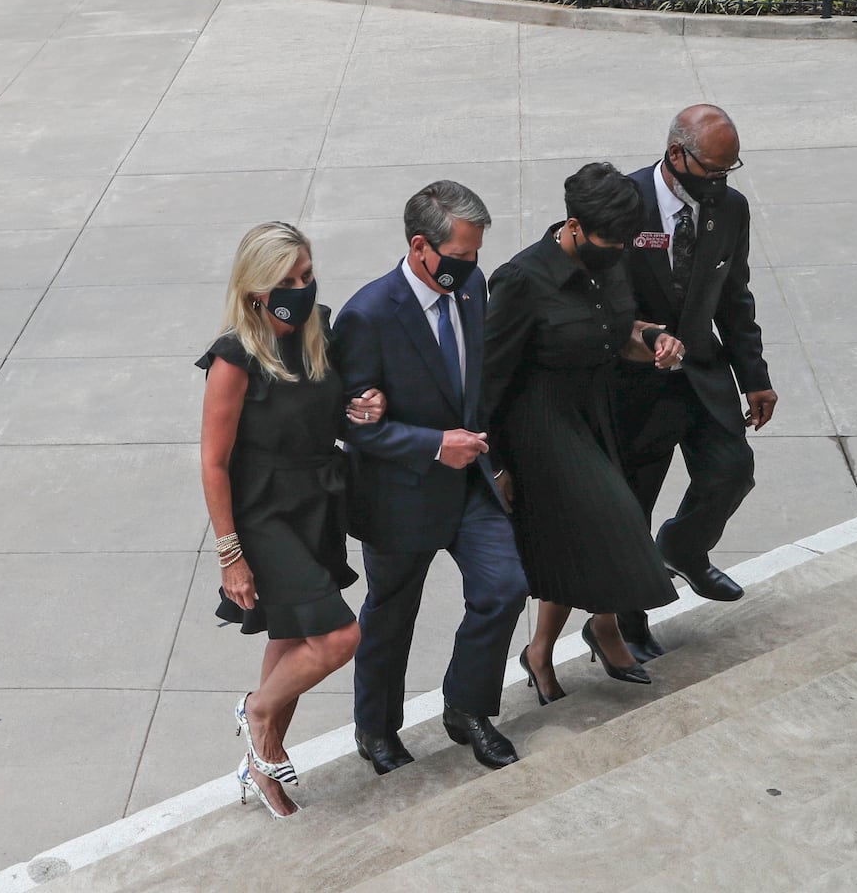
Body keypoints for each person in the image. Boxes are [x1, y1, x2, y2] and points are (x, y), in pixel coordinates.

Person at [331, 180, 528, 774]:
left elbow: (478, 383)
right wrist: (433, 445)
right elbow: (353, 426)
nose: (471, 267)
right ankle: (376, 730)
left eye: (476, 255)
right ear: (421, 246)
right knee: (392, 615)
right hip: (401, 496)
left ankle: (466, 709)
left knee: (504, 588)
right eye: (461, 255)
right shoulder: (367, 315)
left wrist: (493, 458)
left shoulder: (471, 289)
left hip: (470, 487)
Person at [199, 222, 381, 819]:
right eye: (289, 281)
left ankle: (262, 757)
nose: (303, 288)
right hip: (263, 513)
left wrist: (365, 404)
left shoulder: (317, 329)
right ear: (256, 290)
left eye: (307, 275)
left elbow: (333, 408)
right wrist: (231, 554)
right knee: (336, 637)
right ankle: (256, 712)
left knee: (293, 634)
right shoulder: (234, 359)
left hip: (315, 501)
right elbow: (213, 462)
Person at [485, 164, 684, 703]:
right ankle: (608, 626)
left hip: (595, 410)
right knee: (614, 520)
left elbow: (618, 335)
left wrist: (656, 342)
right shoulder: (521, 279)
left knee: (577, 542)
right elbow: (490, 376)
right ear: (572, 225)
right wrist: (496, 462)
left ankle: (542, 650)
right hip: (539, 421)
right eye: (608, 238)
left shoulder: (612, 258)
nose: (618, 248)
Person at [613, 105, 776, 663]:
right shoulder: (624, 204)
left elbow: (734, 295)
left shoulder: (729, 208)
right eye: (712, 170)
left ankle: (682, 548)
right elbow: (598, 297)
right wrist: (639, 337)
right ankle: (623, 625)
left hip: (702, 373)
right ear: (676, 154)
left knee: (733, 471)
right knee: (633, 505)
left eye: (729, 171)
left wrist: (754, 376)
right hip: (635, 382)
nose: (720, 183)